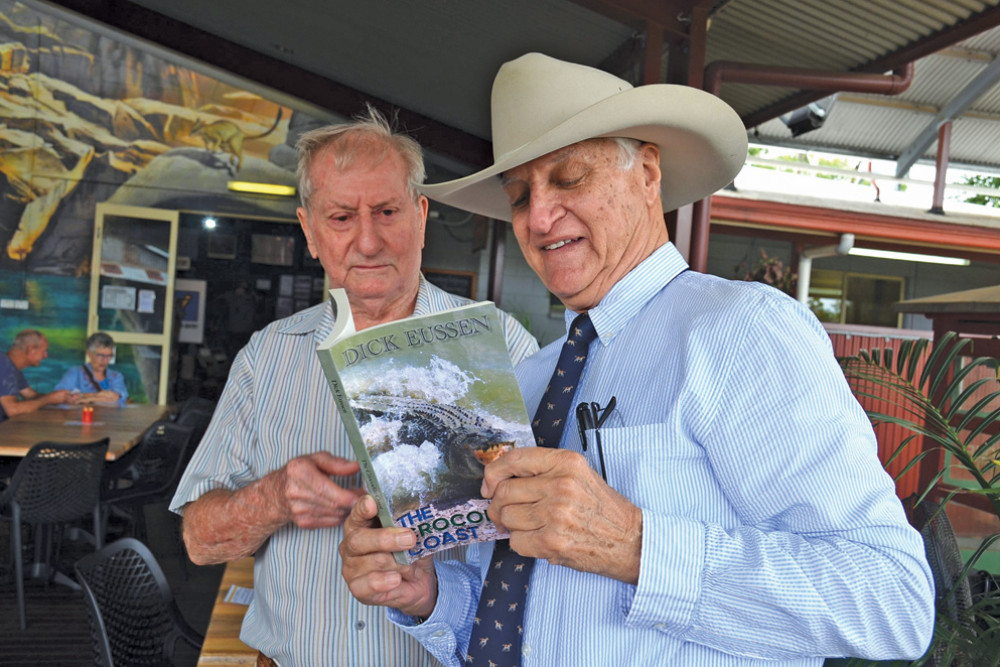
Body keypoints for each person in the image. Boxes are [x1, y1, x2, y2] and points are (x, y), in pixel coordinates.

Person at [339, 53, 935, 666]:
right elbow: (523, 622)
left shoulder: (738, 331)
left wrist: (634, 545)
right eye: (519, 197)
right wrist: (428, 596)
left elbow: (889, 600)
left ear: (647, 174)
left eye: (569, 179)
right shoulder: (530, 377)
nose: (539, 217)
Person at [170, 107, 538, 666]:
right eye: (341, 217)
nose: (367, 242)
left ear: (420, 214)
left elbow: (548, 537)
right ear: (310, 232)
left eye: (387, 211)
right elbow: (199, 540)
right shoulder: (267, 356)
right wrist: (272, 498)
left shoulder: (502, 344)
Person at [0, 329, 77, 423]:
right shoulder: (4, 364)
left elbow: (31, 396)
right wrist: (49, 399)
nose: (45, 356)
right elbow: (13, 410)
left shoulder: (12, 367)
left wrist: (59, 398)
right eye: (44, 351)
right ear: (31, 350)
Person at [54, 331, 128, 406]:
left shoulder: (116, 376)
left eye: (109, 356)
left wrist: (85, 398)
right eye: (100, 355)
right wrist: (101, 397)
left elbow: (115, 398)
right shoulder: (75, 373)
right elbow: (60, 396)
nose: (104, 360)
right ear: (89, 353)